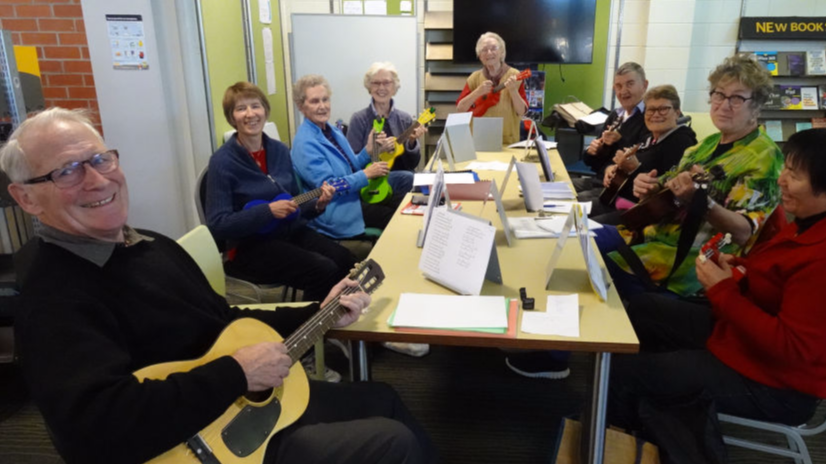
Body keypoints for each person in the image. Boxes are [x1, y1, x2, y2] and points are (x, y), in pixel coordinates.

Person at [1, 108, 436, 464]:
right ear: (27, 198)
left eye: (100, 159)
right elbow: (97, 426)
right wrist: (236, 373)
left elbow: (224, 321)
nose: (97, 180)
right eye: (67, 172)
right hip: (196, 443)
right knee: (391, 442)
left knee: (383, 397)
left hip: (232, 408)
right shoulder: (53, 298)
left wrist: (320, 310)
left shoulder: (151, 245)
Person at [608, 128, 826, 464]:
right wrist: (737, 269)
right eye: (785, 170)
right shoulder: (805, 223)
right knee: (642, 309)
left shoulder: (820, 257)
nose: (781, 180)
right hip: (739, 337)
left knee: (626, 374)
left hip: (774, 384)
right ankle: (651, 413)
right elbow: (773, 280)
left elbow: (792, 349)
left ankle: (624, 434)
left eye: (793, 175)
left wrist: (722, 289)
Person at [597, 55, 783, 300]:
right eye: (719, 95)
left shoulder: (764, 157)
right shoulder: (703, 147)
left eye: (737, 98)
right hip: (649, 234)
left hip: (689, 261)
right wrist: (649, 188)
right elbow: (666, 192)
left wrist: (701, 202)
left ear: (756, 106)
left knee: (598, 267)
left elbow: (742, 233)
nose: (724, 104)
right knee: (581, 239)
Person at [206, 82, 356, 304]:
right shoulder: (222, 162)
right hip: (250, 246)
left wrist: (317, 205)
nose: (250, 114)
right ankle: (310, 331)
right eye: (241, 109)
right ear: (232, 117)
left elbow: (294, 201)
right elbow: (217, 225)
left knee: (346, 260)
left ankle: (338, 324)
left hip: (288, 232)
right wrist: (267, 212)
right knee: (322, 270)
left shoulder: (279, 150)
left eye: (255, 106)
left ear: (265, 111)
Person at [291, 74, 413, 244]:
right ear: (301, 106)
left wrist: (369, 150)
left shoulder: (332, 131)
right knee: (393, 217)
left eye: (325, 100)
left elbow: (350, 166)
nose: (322, 106)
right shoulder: (305, 143)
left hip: (353, 197)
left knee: (405, 202)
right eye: (314, 101)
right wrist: (366, 174)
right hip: (337, 209)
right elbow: (330, 187)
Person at [590, 85, 698, 224]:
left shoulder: (682, 142)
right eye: (651, 109)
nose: (656, 114)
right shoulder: (649, 139)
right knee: (570, 210)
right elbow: (625, 162)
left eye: (663, 109)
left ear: (677, 113)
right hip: (614, 199)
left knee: (579, 226)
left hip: (640, 216)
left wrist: (634, 169)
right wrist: (611, 169)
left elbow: (665, 195)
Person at [574, 62, 651, 193]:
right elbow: (591, 163)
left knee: (571, 204)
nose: (623, 91)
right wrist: (592, 151)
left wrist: (620, 140)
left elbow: (642, 160)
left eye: (630, 84)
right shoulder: (615, 116)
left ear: (644, 85)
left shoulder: (650, 118)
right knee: (553, 186)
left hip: (619, 190)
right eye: (618, 86)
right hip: (599, 181)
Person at [347, 61, 426, 173]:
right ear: (369, 87)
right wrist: (376, 151)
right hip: (370, 183)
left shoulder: (405, 119)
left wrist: (411, 143)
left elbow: (412, 164)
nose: (381, 87)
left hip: (402, 180)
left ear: (394, 88)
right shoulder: (358, 120)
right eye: (376, 83)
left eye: (386, 83)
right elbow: (351, 164)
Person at [455, 32, 528, 145]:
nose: (489, 53)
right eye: (484, 50)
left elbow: (521, 111)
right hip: (478, 141)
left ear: (501, 52)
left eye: (493, 48)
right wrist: (477, 92)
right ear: (479, 56)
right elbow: (460, 109)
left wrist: (513, 91)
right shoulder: (474, 78)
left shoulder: (514, 75)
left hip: (508, 141)